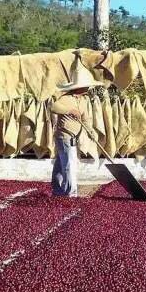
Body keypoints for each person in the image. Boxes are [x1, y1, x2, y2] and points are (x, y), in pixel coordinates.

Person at [50, 61, 102, 197]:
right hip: (64, 136)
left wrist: (91, 131)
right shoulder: (65, 98)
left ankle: (57, 190)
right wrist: (69, 110)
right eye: (86, 86)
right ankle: (70, 194)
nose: (88, 88)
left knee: (61, 165)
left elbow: (86, 119)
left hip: (74, 137)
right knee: (69, 165)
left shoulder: (84, 100)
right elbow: (53, 107)